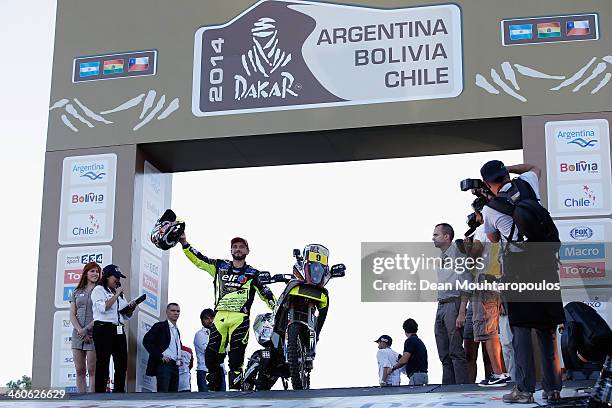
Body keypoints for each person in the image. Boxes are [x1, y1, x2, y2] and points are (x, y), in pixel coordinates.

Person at [480, 161, 564, 403]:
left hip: (518, 270)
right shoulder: (527, 183)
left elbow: (494, 240)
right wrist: (510, 167)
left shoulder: (489, 209)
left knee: (522, 331)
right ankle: (553, 389)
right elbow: (535, 167)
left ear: (487, 183)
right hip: (546, 264)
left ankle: (524, 391)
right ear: (506, 174)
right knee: (547, 329)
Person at [178, 234, 276, 390]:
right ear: (231, 250)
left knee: (236, 358)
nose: (238, 249)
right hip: (220, 317)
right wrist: (184, 243)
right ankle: (214, 389)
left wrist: (277, 310)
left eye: (241, 247)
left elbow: (266, 294)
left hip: (240, 318)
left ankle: (235, 390)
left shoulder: (253, 273)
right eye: (235, 246)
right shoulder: (219, 266)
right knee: (211, 357)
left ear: (247, 251)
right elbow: (199, 259)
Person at [466, 205, 511, 387]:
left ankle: (498, 373)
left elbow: (472, 259)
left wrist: (468, 247)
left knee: (488, 331)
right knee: (496, 330)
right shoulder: (502, 227)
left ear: (479, 214)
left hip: (485, 282)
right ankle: (501, 372)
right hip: (500, 281)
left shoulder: (482, 230)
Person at [432, 223, 470, 384]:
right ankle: (447, 388)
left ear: (446, 236)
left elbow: (467, 283)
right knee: (444, 353)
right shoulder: (442, 257)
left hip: (453, 305)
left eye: (436, 235)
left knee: (455, 351)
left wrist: (461, 312)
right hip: (441, 305)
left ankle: (461, 388)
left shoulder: (456, 254)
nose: (432, 238)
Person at [91, 264, 137, 393]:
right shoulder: (99, 290)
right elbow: (103, 307)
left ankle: (119, 393)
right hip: (103, 328)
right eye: (115, 277)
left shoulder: (119, 293)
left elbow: (125, 315)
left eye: (119, 277)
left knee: (121, 363)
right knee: (103, 362)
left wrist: (130, 308)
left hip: (119, 329)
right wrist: (116, 295)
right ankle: (100, 393)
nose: (118, 280)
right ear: (107, 276)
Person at [69, 262, 101, 393]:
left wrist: (86, 329)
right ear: (86, 273)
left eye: (97, 271)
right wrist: (80, 330)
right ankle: (80, 398)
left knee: (92, 370)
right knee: (79, 369)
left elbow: (100, 314)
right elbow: (72, 313)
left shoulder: (100, 290)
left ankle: (92, 398)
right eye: (92, 271)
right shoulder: (77, 291)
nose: (95, 274)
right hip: (78, 334)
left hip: (93, 334)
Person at [143, 303, 183, 392]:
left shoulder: (176, 330)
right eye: (173, 310)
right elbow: (146, 341)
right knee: (163, 395)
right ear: (167, 312)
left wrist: (179, 359)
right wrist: (160, 356)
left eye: (178, 311)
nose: (176, 313)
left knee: (174, 397)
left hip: (175, 366)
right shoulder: (160, 326)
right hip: (164, 365)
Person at [392, 319, 429, 385]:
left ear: (405, 330)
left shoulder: (410, 341)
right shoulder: (419, 341)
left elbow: (404, 360)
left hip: (416, 376)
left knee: (415, 395)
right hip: (423, 375)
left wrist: (393, 368)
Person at [194, 308, 215, 392]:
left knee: (222, 401)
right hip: (204, 371)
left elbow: (227, 349)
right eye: (207, 318)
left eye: (212, 318)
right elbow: (208, 351)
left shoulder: (221, 333)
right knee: (207, 403)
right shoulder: (200, 334)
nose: (210, 320)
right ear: (202, 321)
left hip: (219, 371)